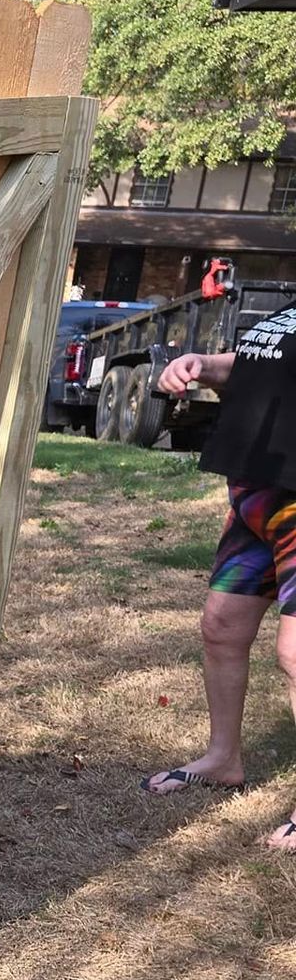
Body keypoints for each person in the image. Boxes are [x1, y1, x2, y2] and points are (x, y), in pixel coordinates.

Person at [143, 302, 296, 853]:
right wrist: (204, 365)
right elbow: (260, 366)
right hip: (255, 495)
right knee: (222, 627)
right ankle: (223, 758)